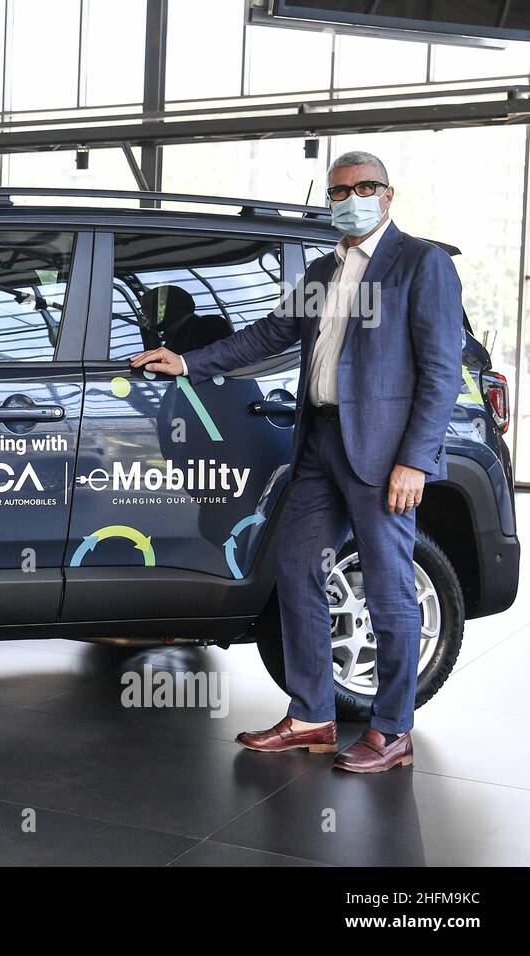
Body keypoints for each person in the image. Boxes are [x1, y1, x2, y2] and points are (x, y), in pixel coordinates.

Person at [132, 150, 463, 773]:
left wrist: (414, 461)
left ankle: (393, 730)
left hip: (383, 453)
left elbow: (442, 371)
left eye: (364, 188)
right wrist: (187, 362)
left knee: (389, 589)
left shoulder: (422, 264)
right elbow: (269, 334)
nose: (351, 198)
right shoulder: (320, 270)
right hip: (317, 444)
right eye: (340, 191)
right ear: (329, 199)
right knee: (294, 568)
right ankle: (312, 714)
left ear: (388, 195)